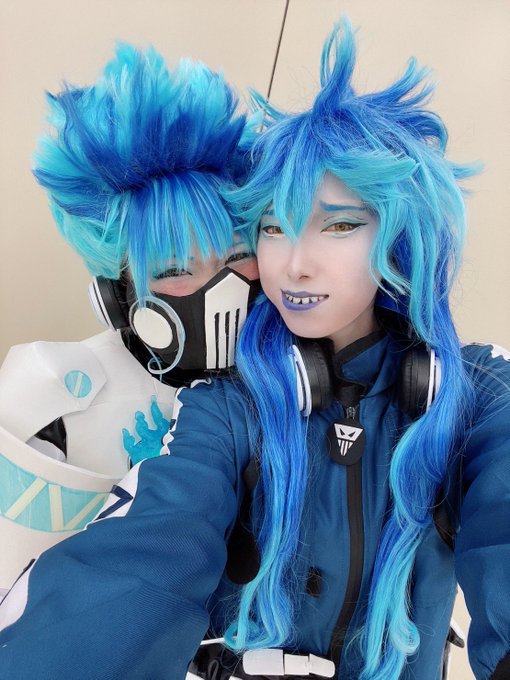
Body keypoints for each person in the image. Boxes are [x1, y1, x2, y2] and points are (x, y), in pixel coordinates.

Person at [1, 18, 509, 680]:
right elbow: (143, 560)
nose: (294, 263)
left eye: (339, 225)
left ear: (402, 236)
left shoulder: (477, 394)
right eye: (272, 227)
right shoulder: (226, 410)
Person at [0, 44, 259, 592]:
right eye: (175, 268)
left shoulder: (290, 379)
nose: (221, 288)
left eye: (238, 256)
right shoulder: (55, 400)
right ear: (118, 292)